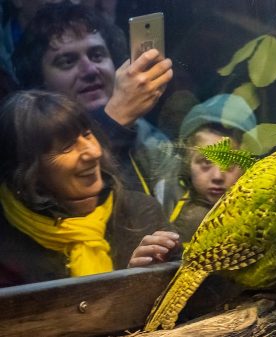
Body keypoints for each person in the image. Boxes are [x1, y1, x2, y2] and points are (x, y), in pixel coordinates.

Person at [0, 90, 180, 288]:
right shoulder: (7, 247)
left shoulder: (140, 213)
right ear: (29, 172)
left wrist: (149, 280)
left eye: (87, 134)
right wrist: (128, 287)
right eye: (67, 146)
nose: (94, 153)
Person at [12, 1, 175, 203]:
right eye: (67, 61)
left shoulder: (150, 139)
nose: (90, 70)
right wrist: (116, 118)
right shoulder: (27, 148)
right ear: (39, 82)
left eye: (97, 55)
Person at [167, 94, 257, 242]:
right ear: (188, 164)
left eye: (229, 163)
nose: (217, 176)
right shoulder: (194, 220)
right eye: (206, 162)